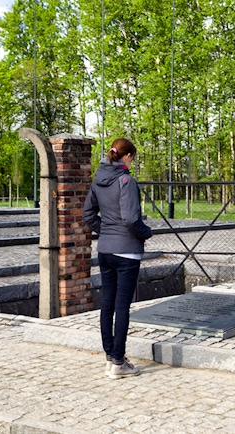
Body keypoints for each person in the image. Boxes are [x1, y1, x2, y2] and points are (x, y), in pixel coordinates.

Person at [83, 138, 152, 379]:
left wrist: (107, 231)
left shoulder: (99, 180)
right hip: (127, 253)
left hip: (105, 251)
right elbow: (132, 219)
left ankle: (109, 357)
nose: (132, 161)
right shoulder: (126, 181)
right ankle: (119, 362)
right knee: (122, 307)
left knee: (107, 305)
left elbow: (88, 214)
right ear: (128, 156)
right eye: (133, 157)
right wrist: (147, 233)